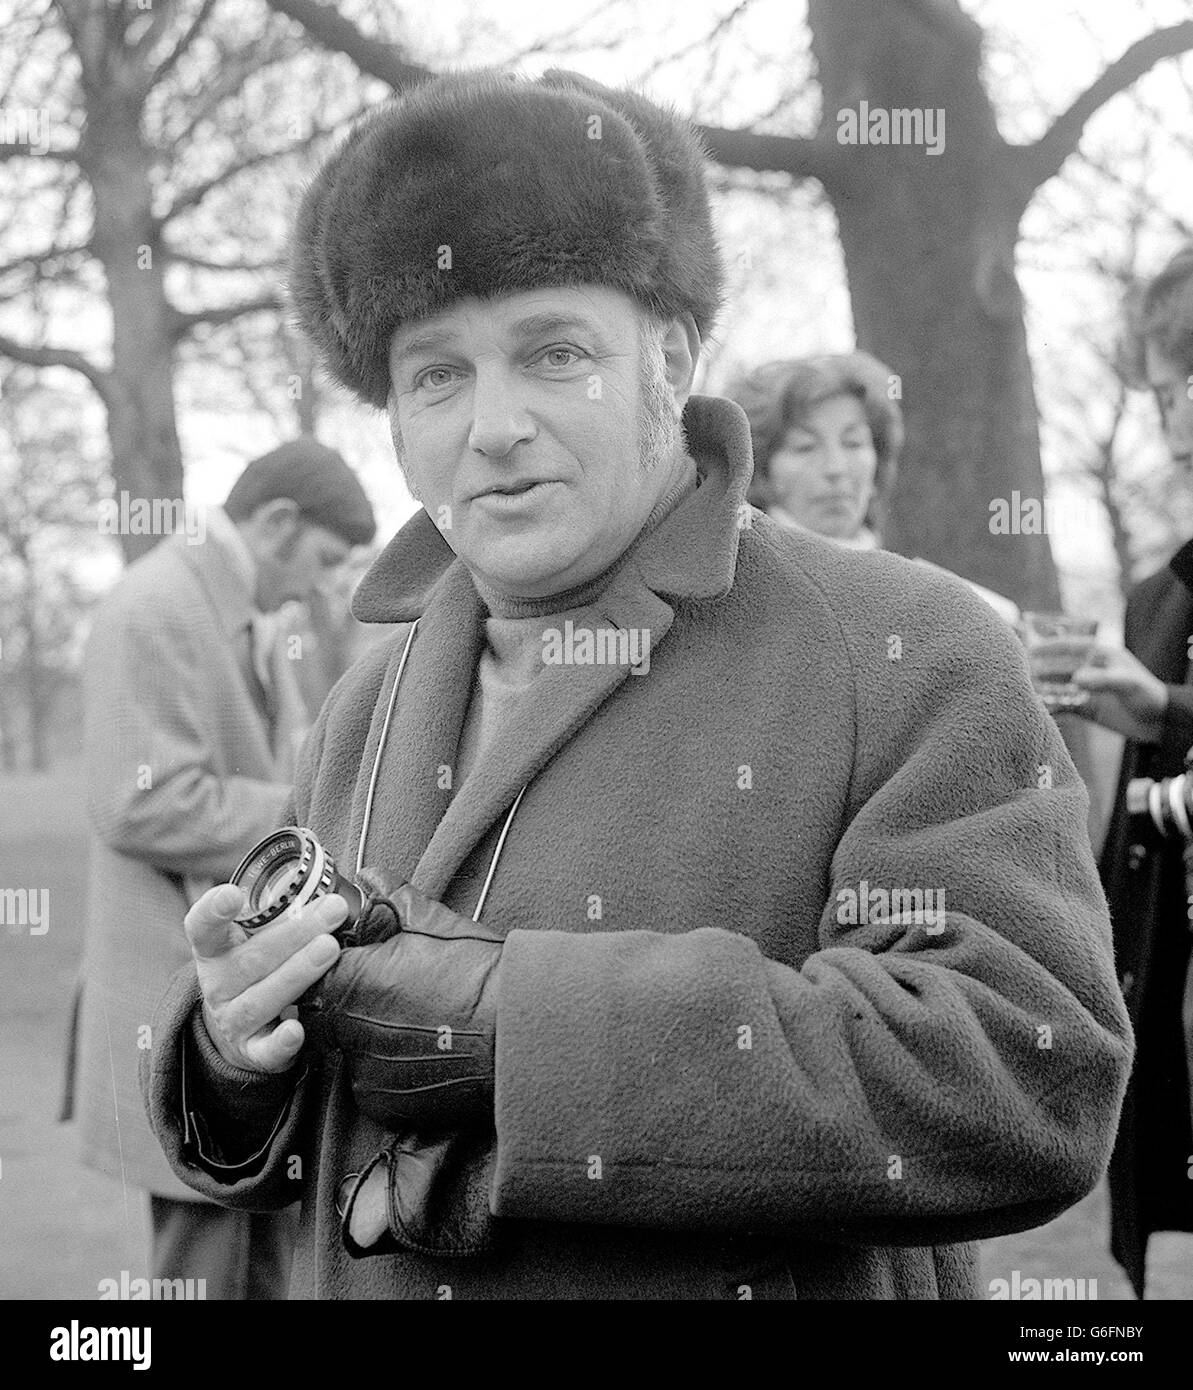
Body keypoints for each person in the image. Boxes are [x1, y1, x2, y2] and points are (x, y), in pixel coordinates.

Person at [141, 68, 1131, 1300]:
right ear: (390, 417)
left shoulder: (904, 644)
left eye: (552, 352)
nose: (491, 424)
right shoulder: (367, 697)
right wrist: (238, 1052)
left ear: (670, 354)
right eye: (434, 373)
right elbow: (309, 1132)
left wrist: (510, 1023)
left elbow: (1022, 1078)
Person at [66, 438, 375, 1299]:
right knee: (203, 1277)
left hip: (238, 1015)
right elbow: (140, 801)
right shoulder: (155, 606)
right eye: (320, 561)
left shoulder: (235, 609)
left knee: (265, 1267)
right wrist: (308, 810)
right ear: (277, 524)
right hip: (179, 1009)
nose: (320, 586)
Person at [1074, 244, 1193, 1298]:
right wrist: (1137, 719)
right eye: (1164, 385)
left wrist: (1169, 711)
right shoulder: (1158, 596)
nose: (1172, 413)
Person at [728, 352, 1020, 622]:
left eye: (853, 443)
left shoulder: (939, 598)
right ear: (761, 469)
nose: (836, 469)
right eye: (805, 447)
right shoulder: (736, 590)